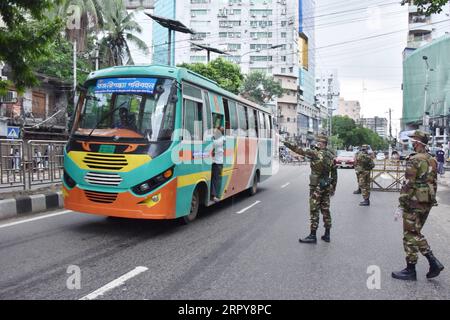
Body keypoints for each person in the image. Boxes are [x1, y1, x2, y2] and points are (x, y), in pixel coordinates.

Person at [392, 130, 444, 281]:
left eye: (413, 140)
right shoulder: (431, 159)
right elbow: (433, 181)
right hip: (426, 201)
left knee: (411, 234)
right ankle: (422, 265)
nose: (411, 142)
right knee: (415, 232)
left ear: (417, 142)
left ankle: (420, 266)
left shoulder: (414, 160)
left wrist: (401, 205)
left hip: (414, 202)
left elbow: (408, 184)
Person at [290, 135, 337, 243]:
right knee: (325, 209)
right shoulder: (331, 155)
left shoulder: (315, 153)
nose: (317, 143)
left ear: (322, 143)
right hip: (326, 185)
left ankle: (312, 235)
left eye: (319, 142)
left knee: (314, 209)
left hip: (317, 186)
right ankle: (327, 234)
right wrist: (333, 187)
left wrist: (287, 144)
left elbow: (299, 150)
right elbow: (334, 174)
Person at [211, 126, 225, 202]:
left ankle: (214, 196)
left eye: (217, 131)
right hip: (214, 162)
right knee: (213, 178)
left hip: (218, 162)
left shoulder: (222, 139)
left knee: (215, 179)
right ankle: (213, 195)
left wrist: (211, 137)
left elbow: (213, 143)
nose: (216, 132)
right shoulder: (218, 138)